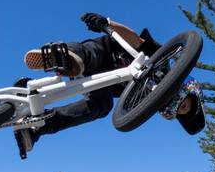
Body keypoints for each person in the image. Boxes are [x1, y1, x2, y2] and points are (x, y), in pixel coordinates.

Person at [14, 12, 201, 158]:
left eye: (180, 110)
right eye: (184, 104)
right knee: (90, 54)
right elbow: (135, 39)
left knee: (102, 107)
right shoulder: (161, 60)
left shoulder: (147, 97)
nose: (178, 105)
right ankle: (66, 57)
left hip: (100, 82)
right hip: (104, 52)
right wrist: (107, 22)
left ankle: (38, 126)